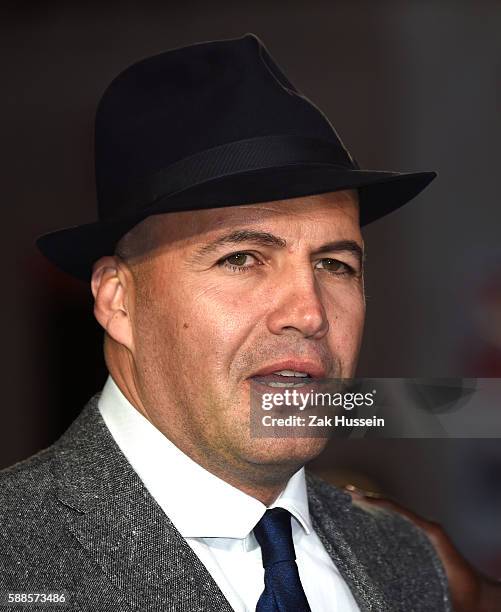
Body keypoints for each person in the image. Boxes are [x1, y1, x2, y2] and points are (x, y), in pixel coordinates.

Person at [0, 33, 499, 612]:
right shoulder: (19, 557)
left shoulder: (410, 565)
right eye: (241, 259)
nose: (309, 314)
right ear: (118, 300)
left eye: (334, 264)